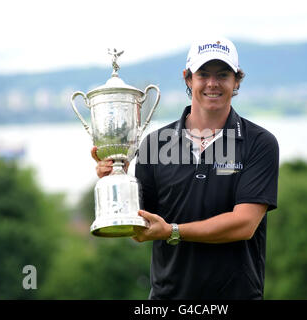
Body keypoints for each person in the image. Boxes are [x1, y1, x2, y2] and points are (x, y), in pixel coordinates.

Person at [91, 37, 279, 300]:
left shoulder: (259, 143)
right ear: (188, 79)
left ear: (236, 81)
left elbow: (243, 225)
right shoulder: (154, 144)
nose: (212, 83)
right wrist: (116, 180)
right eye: (203, 74)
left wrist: (173, 231)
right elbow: (141, 228)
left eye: (222, 75)